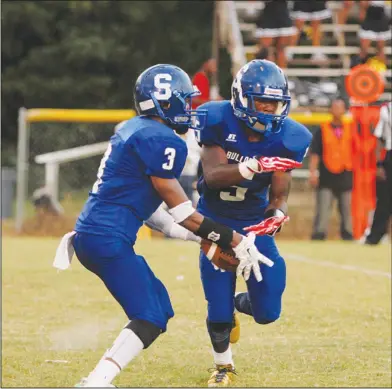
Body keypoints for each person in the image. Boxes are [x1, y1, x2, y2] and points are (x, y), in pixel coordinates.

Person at [53, 64, 294, 388]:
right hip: (106, 240)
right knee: (152, 313)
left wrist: (203, 241)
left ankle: (99, 379)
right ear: (165, 104)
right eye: (184, 101)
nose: (190, 108)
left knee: (159, 308)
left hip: (95, 236)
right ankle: (97, 381)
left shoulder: (132, 128)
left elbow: (154, 213)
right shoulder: (163, 140)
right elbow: (183, 213)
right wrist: (233, 239)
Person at [194, 59, 312, 387]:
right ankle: (223, 364)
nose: (271, 110)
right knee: (216, 310)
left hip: (253, 226)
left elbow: (279, 195)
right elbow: (215, 176)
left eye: (276, 103)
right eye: (263, 102)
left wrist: (276, 214)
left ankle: (235, 303)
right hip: (215, 224)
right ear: (242, 99)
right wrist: (253, 165)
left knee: (268, 312)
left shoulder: (290, 136)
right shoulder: (216, 119)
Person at [308, 98, 354, 241]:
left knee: (346, 208)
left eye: (340, 107)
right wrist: (313, 172)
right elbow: (315, 153)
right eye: (335, 107)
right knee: (323, 207)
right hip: (327, 173)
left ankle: (347, 233)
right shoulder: (322, 129)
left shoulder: (350, 128)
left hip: (345, 172)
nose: (337, 110)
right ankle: (319, 233)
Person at [363, 101, 391, 245]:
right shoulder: (387, 109)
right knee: (385, 200)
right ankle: (375, 236)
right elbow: (379, 138)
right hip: (390, 156)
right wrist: (379, 164)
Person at [254, 0, 297, 69]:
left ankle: (281, 76)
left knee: (281, 50)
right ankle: (268, 75)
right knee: (265, 51)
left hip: (283, 16)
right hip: (268, 16)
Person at [358, 0, 391, 66]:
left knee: (381, 50)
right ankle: (359, 70)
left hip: (381, 18)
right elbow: (363, 7)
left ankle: (382, 72)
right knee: (364, 49)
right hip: (369, 17)